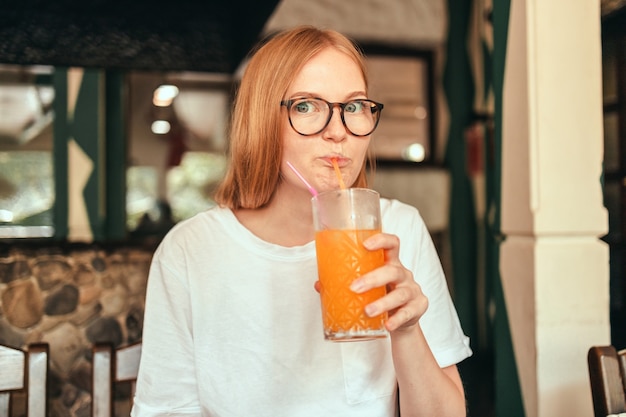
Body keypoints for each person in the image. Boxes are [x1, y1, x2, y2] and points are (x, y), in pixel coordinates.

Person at [131, 25, 472, 417]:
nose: (338, 131)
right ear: (262, 120)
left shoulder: (399, 229)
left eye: (355, 106)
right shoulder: (189, 251)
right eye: (306, 106)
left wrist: (408, 333)